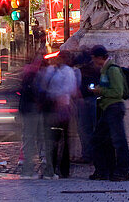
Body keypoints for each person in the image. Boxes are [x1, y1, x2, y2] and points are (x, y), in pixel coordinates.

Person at [89, 45, 129, 182]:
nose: (93, 61)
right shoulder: (105, 70)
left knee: (119, 141)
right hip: (107, 108)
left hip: (114, 108)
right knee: (100, 140)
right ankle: (104, 170)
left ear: (100, 57)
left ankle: (122, 171)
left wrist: (100, 91)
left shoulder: (112, 70)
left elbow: (117, 92)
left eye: (94, 58)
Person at [42, 50, 80, 178]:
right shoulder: (55, 71)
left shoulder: (66, 72)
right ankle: (56, 168)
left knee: (59, 139)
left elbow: (69, 89)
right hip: (57, 107)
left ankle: (60, 168)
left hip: (61, 108)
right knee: (57, 139)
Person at [18, 53, 47, 177]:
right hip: (33, 108)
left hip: (29, 108)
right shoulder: (35, 75)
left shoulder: (28, 74)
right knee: (36, 136)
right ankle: (39, 159)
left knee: (30, 137)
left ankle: (28, 162)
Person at [74, 51, 99, 163]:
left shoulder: (96, 70)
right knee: (86, 129)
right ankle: (90, 155)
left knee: (87, 129)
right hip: (84, 100)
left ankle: (91, 155)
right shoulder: (94, 70)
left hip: (89, 100)